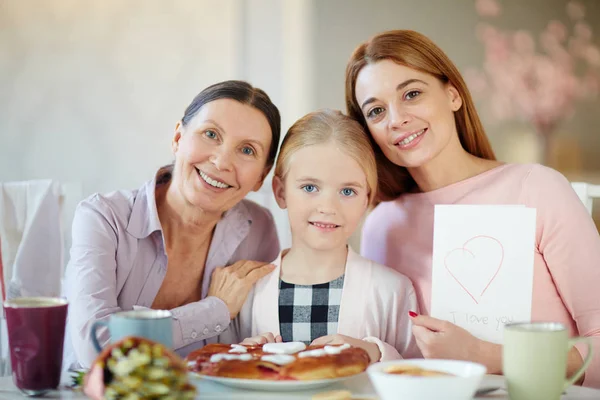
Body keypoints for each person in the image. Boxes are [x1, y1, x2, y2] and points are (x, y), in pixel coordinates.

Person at [345, 30, 600, 387]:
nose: (396, 119)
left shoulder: (536, 189)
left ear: (452, 94)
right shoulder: (382, 224)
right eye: (376, 111)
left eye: (412, 94)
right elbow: (403, 356)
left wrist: (484, 355)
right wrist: (367, 350)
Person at [64, 80, 282, 368]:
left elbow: (260, 337)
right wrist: (215, 310)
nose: (221, 161)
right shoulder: (103, 218)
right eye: (211, 134)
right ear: (178, 138)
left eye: (247, 150)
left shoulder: (259, 228)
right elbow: (97, 347)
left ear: (261, 177)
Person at [215, 109, 418, 363]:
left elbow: (418, 376)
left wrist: (375, 353)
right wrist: (242, 356)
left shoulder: (393, 290)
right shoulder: (247, 291)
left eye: (347, 191)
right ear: (280, 192)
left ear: (367, 198)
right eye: (310, 187)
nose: (328, 207)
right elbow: (218, 374)